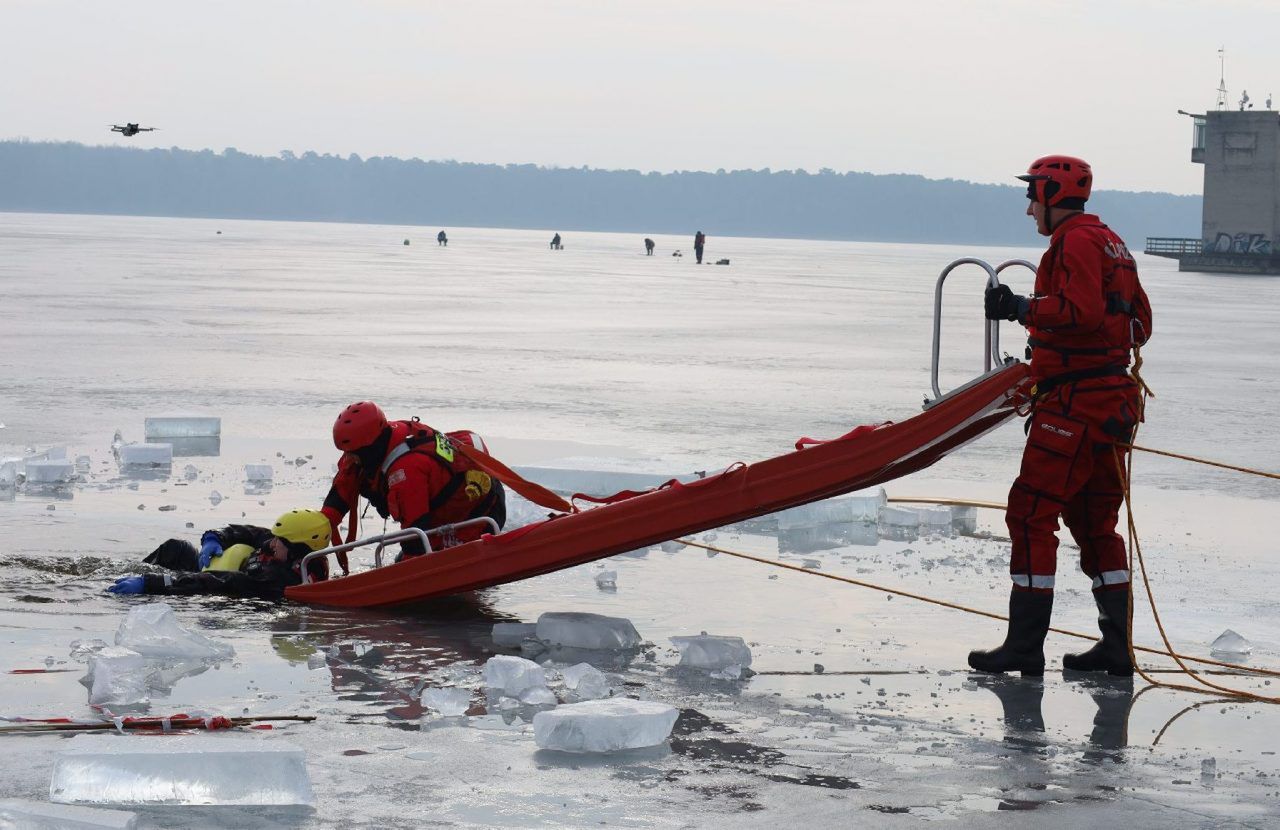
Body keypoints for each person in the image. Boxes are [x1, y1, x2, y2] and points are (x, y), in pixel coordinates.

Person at [969, 155, 1152, 678]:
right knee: (1096, 524)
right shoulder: (1112, 242)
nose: (1029, 210)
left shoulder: (1072, 242)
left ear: (1052, 196)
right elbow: (1139, 321)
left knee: (1030, 514)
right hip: (1114, 403)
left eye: (1033, 198)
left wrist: (1019, 308)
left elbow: (1081, 312)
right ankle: (1117, 648)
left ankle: (1024, 646)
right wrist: (1103, 355)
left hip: (1073, 407)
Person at [323, 401, 507, 559]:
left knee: (439, 569)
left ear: (368, 448)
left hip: (479, 513)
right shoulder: (374, 445)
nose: (349, 458)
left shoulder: (406, 470)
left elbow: (415, 532)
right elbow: (344, 486)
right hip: (440, 516)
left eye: (353, 453)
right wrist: (322, 524)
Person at [106, 509, 333, 600]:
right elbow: (244, 532)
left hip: (218, 585)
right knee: (175, 547)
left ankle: (130, 587)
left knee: (162, 590)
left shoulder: (280, 579)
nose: (271, 543)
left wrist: (151, 583)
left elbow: (221, 581)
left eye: (279, 541)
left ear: (299, 549)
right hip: (211, 569)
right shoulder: (282, 546)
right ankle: (124, 575)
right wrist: (213, 539)